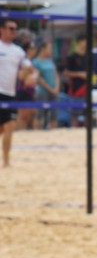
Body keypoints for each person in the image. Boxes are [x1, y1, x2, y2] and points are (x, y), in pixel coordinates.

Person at [0, 18, 32, 167]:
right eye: (11, 28)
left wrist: (26, 76)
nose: (14, 31)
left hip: (10, 94)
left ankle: (6, 162)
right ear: (2, 29)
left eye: (15, 29)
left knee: (10, 126)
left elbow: (28, 67)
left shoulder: (18, 51)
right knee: (3, 128)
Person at [29, 38, 58, 130]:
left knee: (54, 113)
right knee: (39, 113)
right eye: (49, 48)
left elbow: (56, 75)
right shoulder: (35, 62)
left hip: (53, 91)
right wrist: (51, 89)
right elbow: (38, 79)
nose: (51, 50)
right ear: (43, 49)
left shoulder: (50, 61)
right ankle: (36, 133)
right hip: (42, 91)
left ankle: (54, 133)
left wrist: (56, 88)